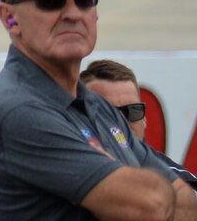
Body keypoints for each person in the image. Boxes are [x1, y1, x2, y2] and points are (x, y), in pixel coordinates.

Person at [0, 0, 196, 221]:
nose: (73, 13)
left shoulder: (96, 104)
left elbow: (187, 204)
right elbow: (148, 206)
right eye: (50, 0)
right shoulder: (12, 109)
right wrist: (150, 186)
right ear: (9, 18)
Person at [81, 61, 197, 192]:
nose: (121, 122)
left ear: (144, 119)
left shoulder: (182, 185)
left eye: (132, 110)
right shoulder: (61, 178)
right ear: (78, 118)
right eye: (106, 112)